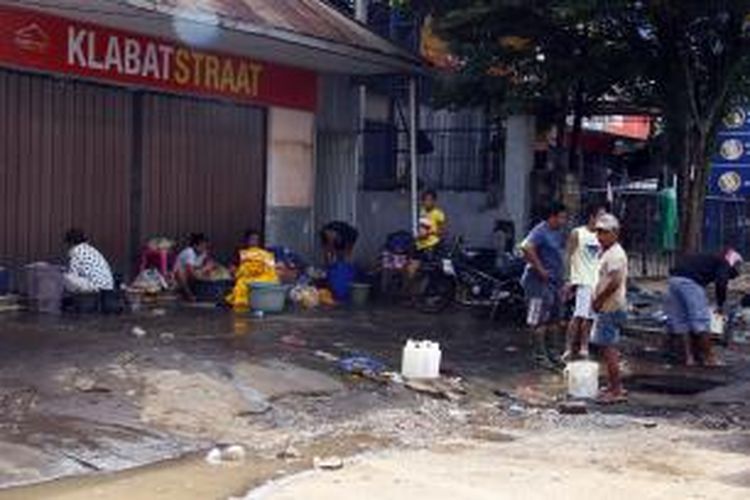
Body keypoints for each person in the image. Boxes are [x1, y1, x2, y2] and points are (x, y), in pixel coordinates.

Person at [665, 248, 743, 366]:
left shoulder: (713, 255)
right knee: (701, 321)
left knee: (682, 321)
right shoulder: (726, 261)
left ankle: (689, 358)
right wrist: (720, 304)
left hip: (674, 280)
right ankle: (709, 358)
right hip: (690, 282)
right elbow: (721, 282)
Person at [521, 202, 568, 367]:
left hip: (555, 282)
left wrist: (564, 281)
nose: (564, 221)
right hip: (537, 283)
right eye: (561, 217)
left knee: (555, 319)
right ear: (552, 217)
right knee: (538, 319)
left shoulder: (558, 232)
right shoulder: (540, 231)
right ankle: (540, 356)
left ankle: (553, 354)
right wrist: (540, 268)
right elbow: (526, 247)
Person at [590, 214, 629, 403]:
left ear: (615, 233)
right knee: (608, 348)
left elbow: (614, 282)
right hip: (610, 305)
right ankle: (614, 385)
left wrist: (598, 300)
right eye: (598, 232)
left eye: (604, 233)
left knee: (609, 349)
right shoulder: (608, 251)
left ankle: (616, 391)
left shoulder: (615, 254)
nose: (600, 236)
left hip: (610, 306)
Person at [563, 203, 607, 361]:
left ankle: (584, 346)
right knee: (578, 316)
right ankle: (568, 347)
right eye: (601, 217)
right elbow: (568, 255)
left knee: (590, 318)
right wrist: (568, 279)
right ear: (592, 217)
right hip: (582, 281)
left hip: (596, 282)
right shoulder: (578, 233)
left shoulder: (603, 236)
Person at [226, 229, 279, 310]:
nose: (254, 242)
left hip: (262, 278)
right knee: (241, 287)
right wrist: (235, 272)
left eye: (256, 240)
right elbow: (232, 267)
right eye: (252, 239)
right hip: (245, 279)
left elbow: (271, 267)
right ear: (246, 241)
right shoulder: (240, 252)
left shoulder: (263, 253)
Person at [63, 228, 115, 293]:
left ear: (70, 242)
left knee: (63, 277)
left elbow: (73, 273)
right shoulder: (88, 249)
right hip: (107, 286)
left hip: (97, 287)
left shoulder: (76, 251)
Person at [173, 233, 213, 301]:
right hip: (179, 279)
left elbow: (210, 263)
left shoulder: (203, 253)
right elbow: (190, 271)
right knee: (180, 273)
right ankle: (189, 295)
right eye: (201, 246)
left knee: (210, 268)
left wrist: (208, 268)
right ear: (195, 246)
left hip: (194, 276)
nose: (204, 248)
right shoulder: (189, 252)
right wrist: (203, 272)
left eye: (205, 246)